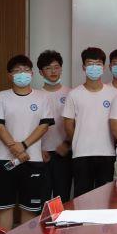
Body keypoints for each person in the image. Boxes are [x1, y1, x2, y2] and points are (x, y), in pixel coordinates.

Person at [0, 55, 54, 230]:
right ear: (10, 75)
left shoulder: (42, 97)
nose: (22, 74)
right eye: (17, 71)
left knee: (30, 208)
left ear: (32, 73)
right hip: (5, 160)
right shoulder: (1, 97)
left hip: (33, 161)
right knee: (4, 206)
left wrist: (22, 146)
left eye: (25, 70)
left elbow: (44, 126)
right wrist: (15, 148)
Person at [63, 47, 117, 197]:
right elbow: (68, 125)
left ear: (104, 67)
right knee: (82, 197)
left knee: (106, 197)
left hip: (107, 153)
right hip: (81, 154)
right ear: (83, 67)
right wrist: (79, 141)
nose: (94, 67)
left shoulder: (114, 94)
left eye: (98, 64)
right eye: (90, 64)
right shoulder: (74, 94)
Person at [37, 50, 72, 203]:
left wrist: (67, 144)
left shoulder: (71, 93)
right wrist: (38, 148)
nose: (53, 71)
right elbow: (30, 126)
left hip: (64, 152)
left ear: (61, 69)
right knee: (41, 198)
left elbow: (77, 124)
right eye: (48, 68)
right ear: (40, 72)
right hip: (41, 153)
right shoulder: (35, 95)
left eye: (56, 67)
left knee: (62, 198)